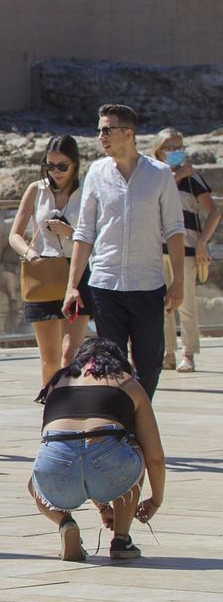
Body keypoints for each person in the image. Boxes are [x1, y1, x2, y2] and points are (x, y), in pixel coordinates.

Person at [65, 103, 186, 398]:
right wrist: (71, 286)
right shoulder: (96, 172)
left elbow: (174, 229)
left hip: (148, 284)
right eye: (99, 130)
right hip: (105, 284)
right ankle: (120, 428)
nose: (101, 136)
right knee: (111, 363)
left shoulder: (159, 174)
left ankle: (138, 419)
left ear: (128, 133)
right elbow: (84, 232)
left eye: (107, 129)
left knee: (149, 363)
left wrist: (179, 280)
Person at [27, 338, 165, 563]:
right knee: (131, 446)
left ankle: (65, 522)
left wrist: (102, 508)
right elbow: (155, 457)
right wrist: (156, 500)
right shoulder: (127, 382)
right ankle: (122, 539)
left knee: (36, 483)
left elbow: (70, 449)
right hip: (110, 469)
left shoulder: (58, 382)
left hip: (57, 472)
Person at [8, 135, 93, 388]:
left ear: (75, 164)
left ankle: (69, 403)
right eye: (50, 165)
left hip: (75, 271)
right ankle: (50, 407)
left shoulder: (88, 190)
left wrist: (70, 232)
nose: (55, 172)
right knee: (49, 356)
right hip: (43, 269)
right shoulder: (37, 189)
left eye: (62, 166)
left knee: (70, 351)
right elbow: (15, 234)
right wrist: (30, 254)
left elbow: (96, 236)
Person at [153, 129, 219, 372]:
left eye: (179, 146)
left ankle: (188, 352)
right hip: (157, 249)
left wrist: (202, 242)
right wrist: (176, 177)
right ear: (159, 150)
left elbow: (214, 212)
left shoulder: (193, 178)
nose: (175, 151)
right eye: (170, 147)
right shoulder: (155, 177)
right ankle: (167, 352)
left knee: (187, 303)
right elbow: (151, 198)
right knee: (162, 304)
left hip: (188, 248)